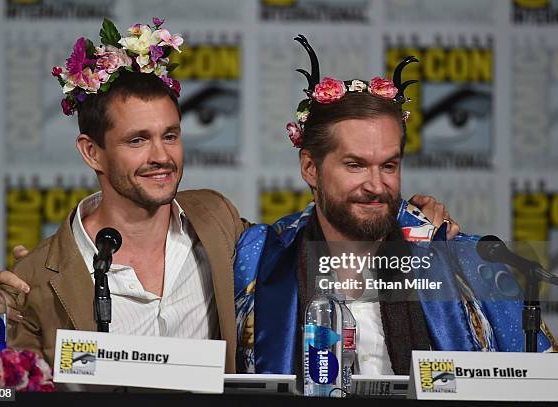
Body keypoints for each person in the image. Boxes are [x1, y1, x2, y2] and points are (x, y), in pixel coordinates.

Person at [0, 23, 455, 373]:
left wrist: (406, 216)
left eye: (170, 135)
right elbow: (5, 382)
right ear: (91, 151)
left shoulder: (219, 225)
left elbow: (322, 234)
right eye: (137, 140)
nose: (161, 157)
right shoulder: (33, 279)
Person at [233, 35, 556, 377]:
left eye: (389, 166)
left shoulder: (467, 265)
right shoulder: (258, 259)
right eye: (355, 165)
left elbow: (542, 381)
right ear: (310, 168)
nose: (376, 186)